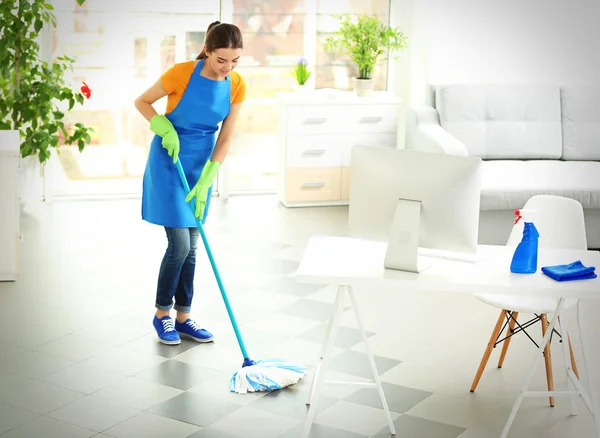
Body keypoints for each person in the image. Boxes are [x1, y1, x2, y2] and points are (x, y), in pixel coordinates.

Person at [134, 21, 245, 345]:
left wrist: (210, 175)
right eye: (222, 59)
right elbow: (141, 102)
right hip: (169, 159)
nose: (228, 67)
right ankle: (161, 315)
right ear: (208, 50)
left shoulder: (236, 84)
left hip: (200, 165)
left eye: (235, 60)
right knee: (179, 244)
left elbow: (226, 136)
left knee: (193, 246)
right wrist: (163, 127)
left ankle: (184, 317)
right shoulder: (181, 73)